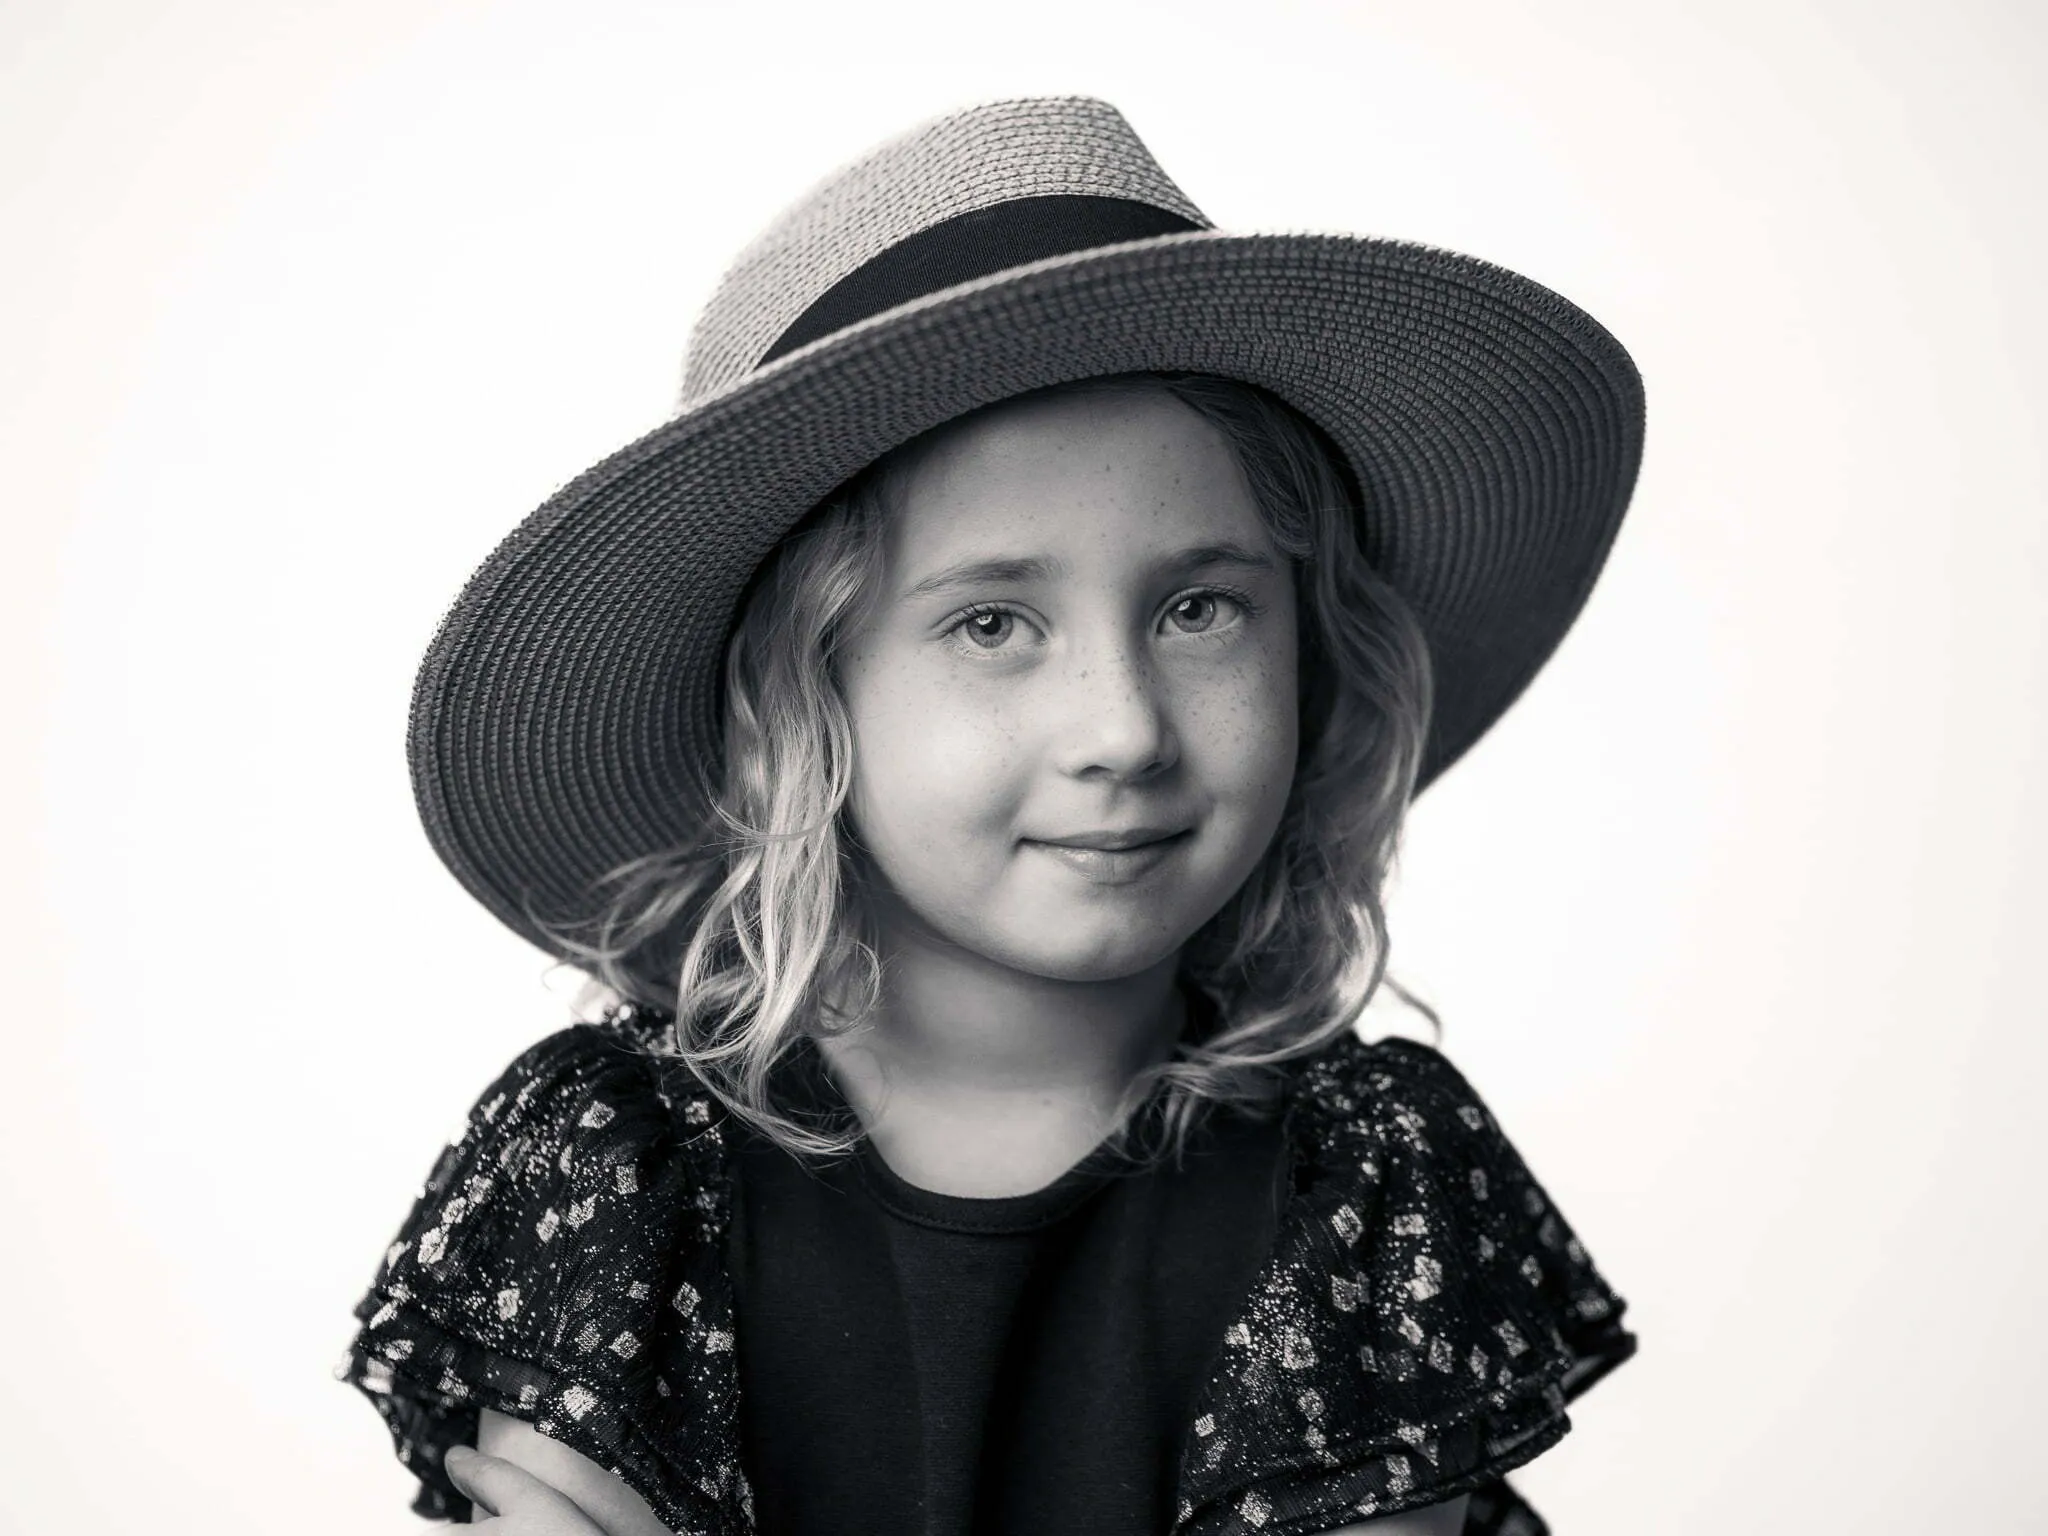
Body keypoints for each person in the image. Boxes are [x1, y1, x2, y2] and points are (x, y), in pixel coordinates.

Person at [338, 96, 1643, 1536]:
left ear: (1311, 649)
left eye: (1199, 609)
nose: (1124, 728)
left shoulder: (1362, 1185)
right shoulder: (616, 1179)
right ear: (798, 707)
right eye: (993, 625)